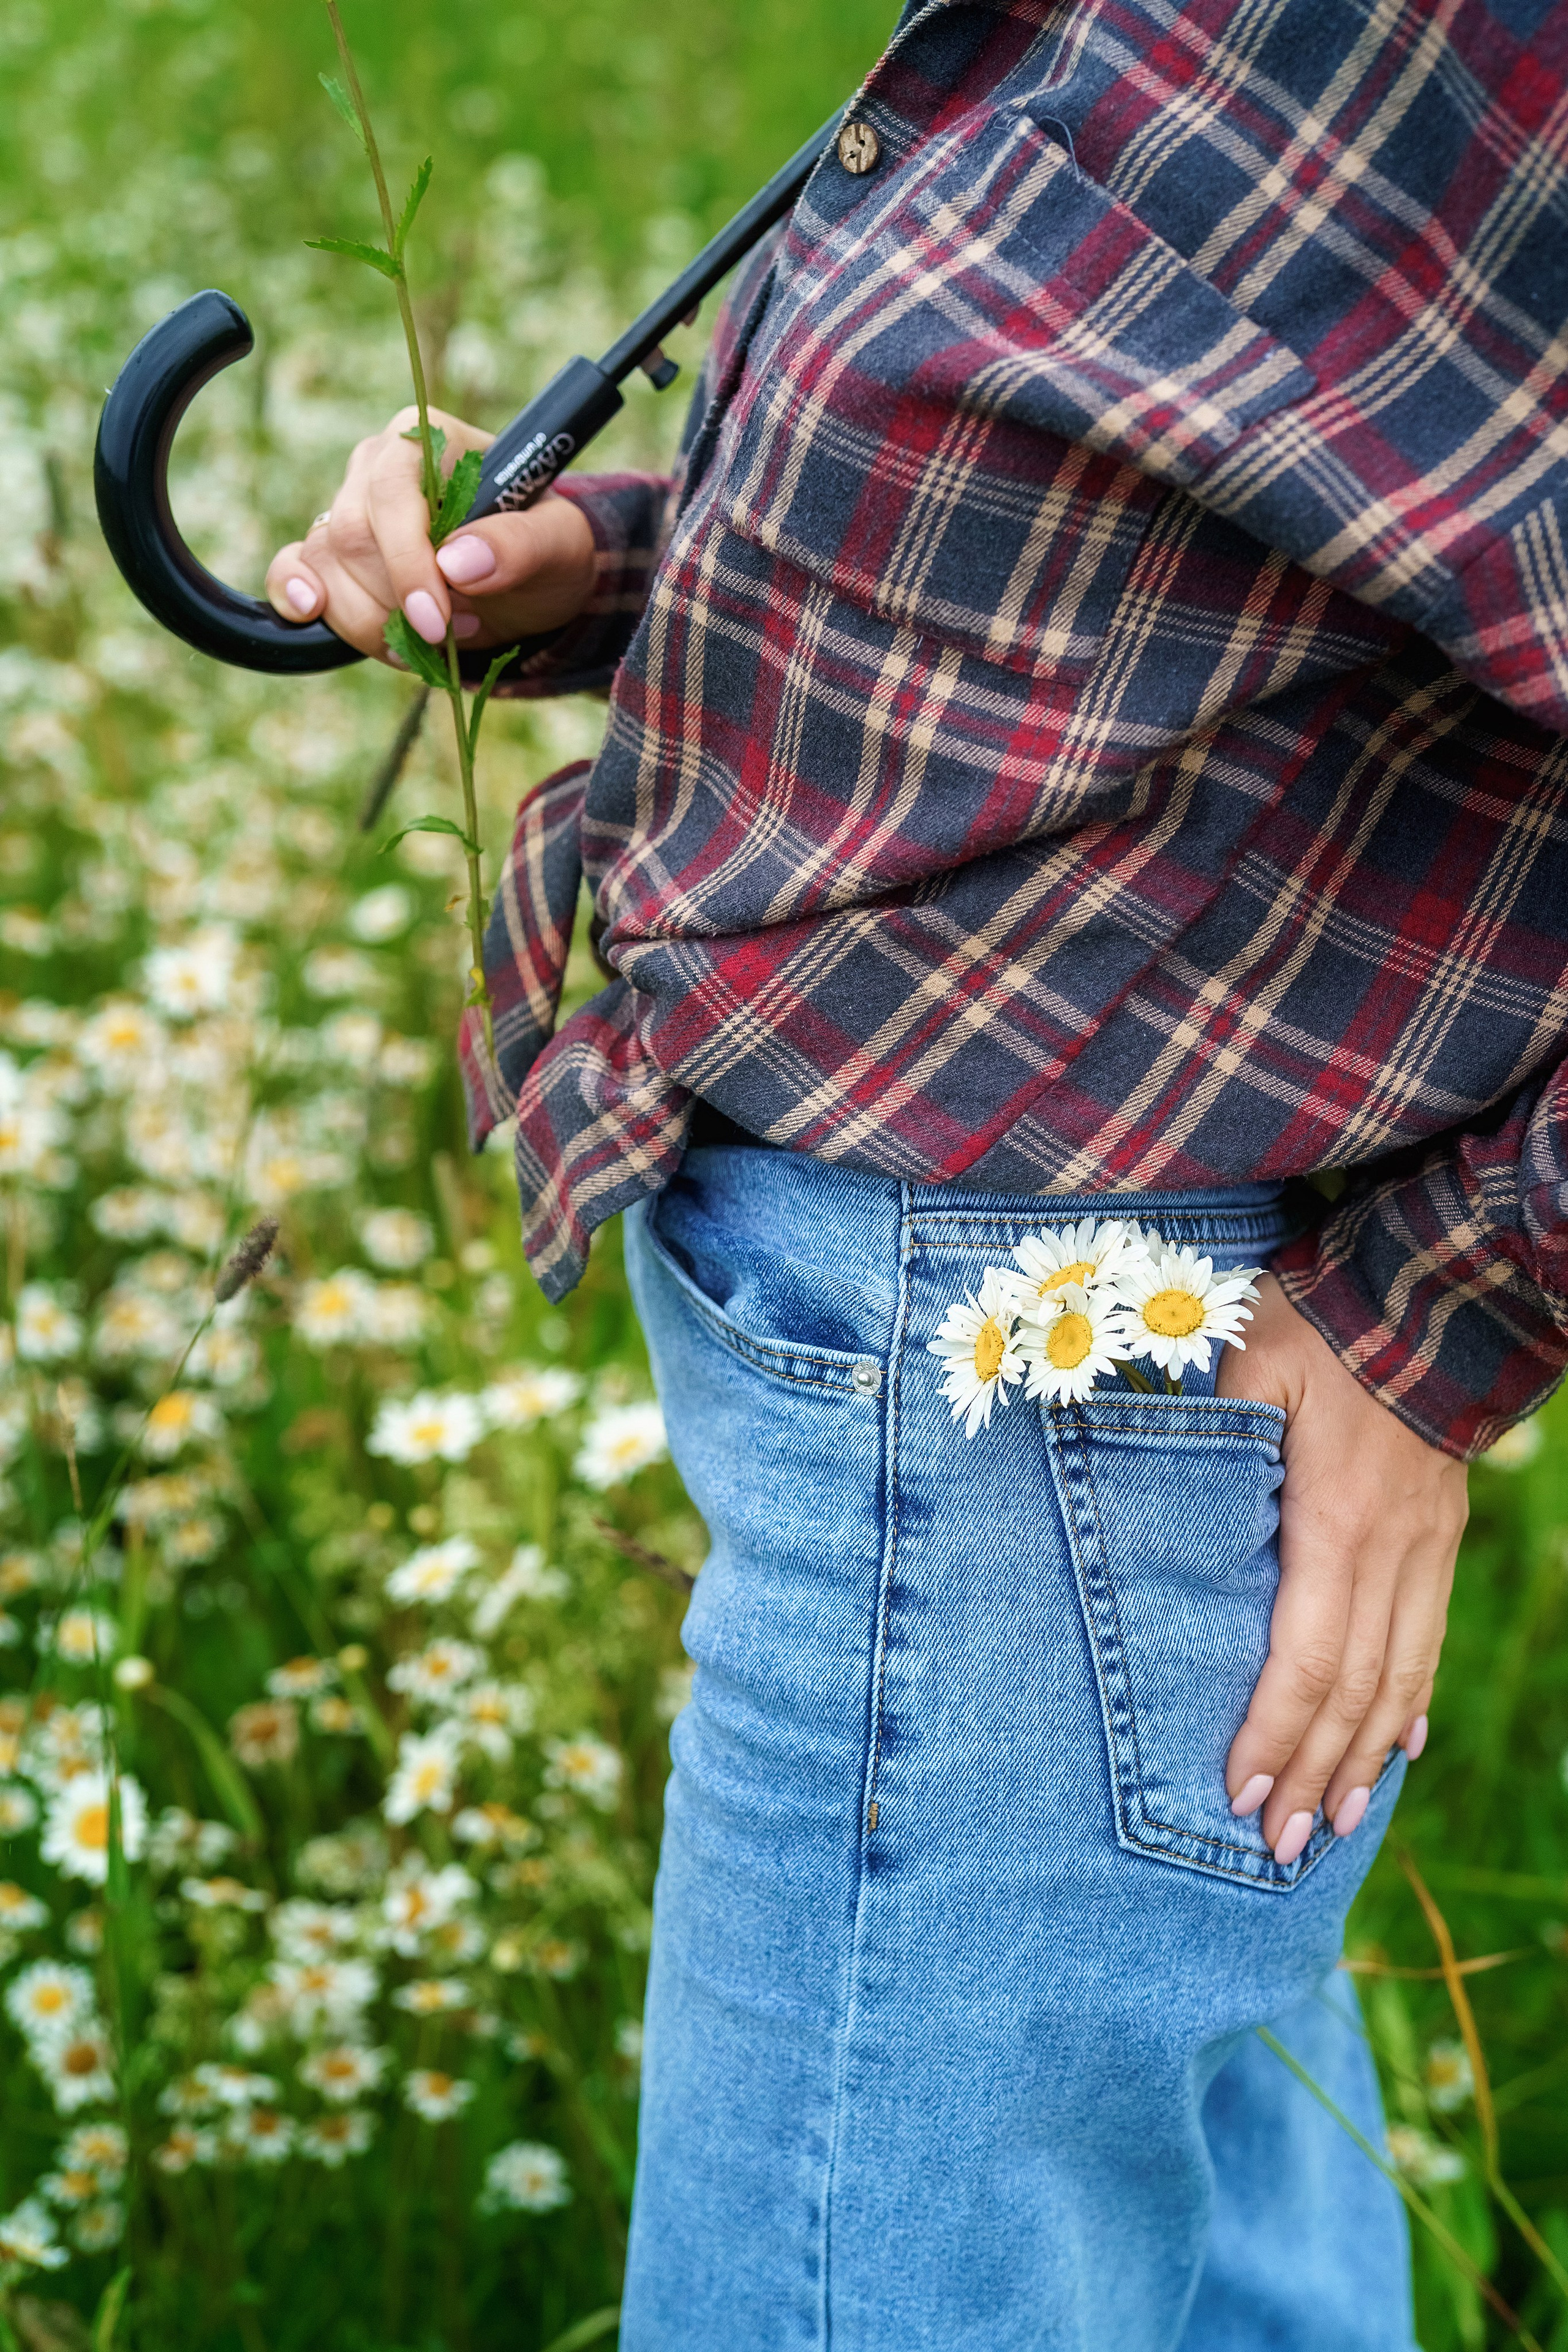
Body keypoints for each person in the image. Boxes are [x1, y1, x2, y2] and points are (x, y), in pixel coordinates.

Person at [266, 1, 1568, 2342]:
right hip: (1017, 1374)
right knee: (1208, 2265)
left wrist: (1459, 1301)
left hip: (1041, 1383)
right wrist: (608, 561)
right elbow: (1211, 506)